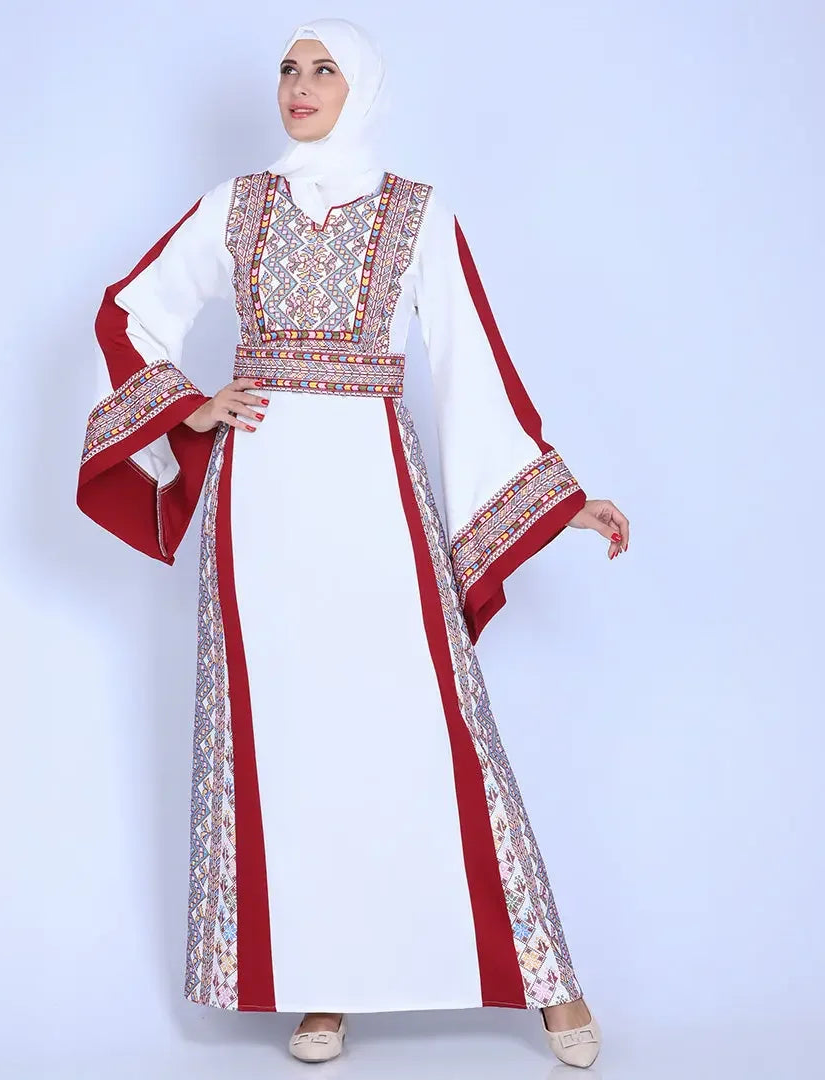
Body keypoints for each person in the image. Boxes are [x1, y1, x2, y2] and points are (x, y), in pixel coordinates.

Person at [76, 16, 629, 1070]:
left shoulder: (417, 211)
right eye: (288, 68)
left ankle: (549, 981)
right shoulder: (237, 204)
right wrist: (190, 406)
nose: (301, 84)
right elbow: (128, 311)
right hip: (261, 506)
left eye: (324, 69)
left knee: (436, 723)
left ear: (360, 86)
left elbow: (472, 362)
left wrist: (558, 501)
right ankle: (321, 983)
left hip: (376, 494)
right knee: (290, 737)